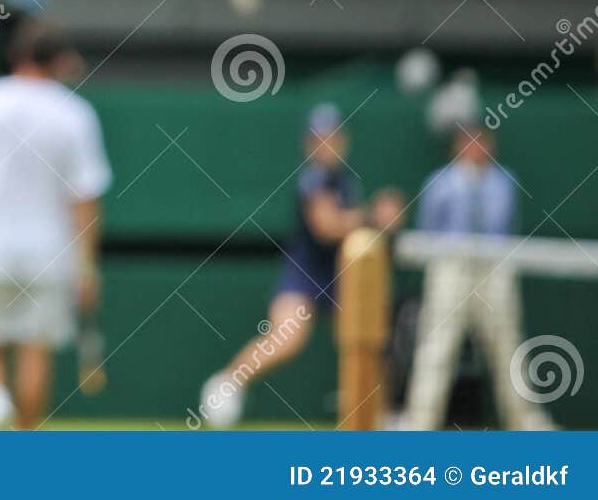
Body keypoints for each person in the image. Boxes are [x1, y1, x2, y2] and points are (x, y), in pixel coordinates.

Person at [198, 104, 403, 427]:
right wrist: (374, 216)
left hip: (343, 278)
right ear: (309, 144)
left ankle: (384, 415)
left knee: (370, 338)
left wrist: (386, 219)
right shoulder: (313, 179)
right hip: (305, 276)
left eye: (334, 136)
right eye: (321, 138)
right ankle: (227, 383)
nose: (329, 144)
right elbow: (326, 227)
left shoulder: (347, 182)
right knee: (287, 338)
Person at [0, 25, 110, 430]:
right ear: (59, 60)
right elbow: (84, 197)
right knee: (36, 351)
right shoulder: (76, 113)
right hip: (50, 254)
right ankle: (22, 434)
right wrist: (87, 267)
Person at [401, 123, 547, 430]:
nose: (477, 149)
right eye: (469, 143)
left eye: (482, 142)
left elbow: (505, 227)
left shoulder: (504, 182)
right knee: (437, 347)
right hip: (450, 269)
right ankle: (419, 424)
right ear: (457, 147)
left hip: (494, 268)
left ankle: (527, 423)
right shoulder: (439, 182)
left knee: (508, 347)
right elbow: (429, 231)